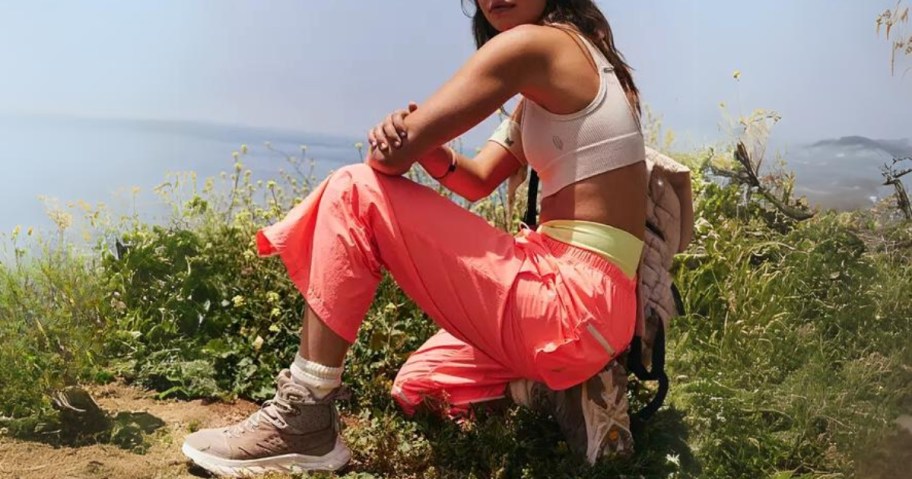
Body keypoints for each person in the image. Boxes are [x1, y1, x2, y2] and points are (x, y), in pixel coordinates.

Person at [181, 0, 647, 475]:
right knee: (421, 384)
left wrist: (404, 136)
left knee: (354, 190)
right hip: (597, 311)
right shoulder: (575, 62)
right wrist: (432, 151)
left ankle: (306, 413)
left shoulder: (532, 46)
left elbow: (386, 161)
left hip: (569, 297)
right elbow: (478, 178)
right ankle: (563, 387)